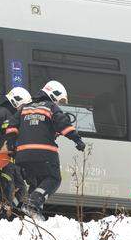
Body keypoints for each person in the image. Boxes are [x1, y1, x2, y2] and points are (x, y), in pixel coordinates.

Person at [6, 80, 86, 218]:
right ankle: (32, 204)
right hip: (44, 153)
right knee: (53, 179)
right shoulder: (50, 107)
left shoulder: (25, 108)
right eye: (59, 100)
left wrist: (11, 145)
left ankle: (28, 214)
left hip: (22, 155)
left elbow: (11, 127)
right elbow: (63, 124)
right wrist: (77, 140)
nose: (58, 103)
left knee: (36, 183)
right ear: (53, 95)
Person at [0, 87, 31, 216]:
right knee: (5, 188)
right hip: (1, 159)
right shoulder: (1, 113)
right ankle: (0, 215)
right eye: (24, 105)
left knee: (22, 191)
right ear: (16, 101)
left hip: (12, 160)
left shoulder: (16, 117)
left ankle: (8, 211)